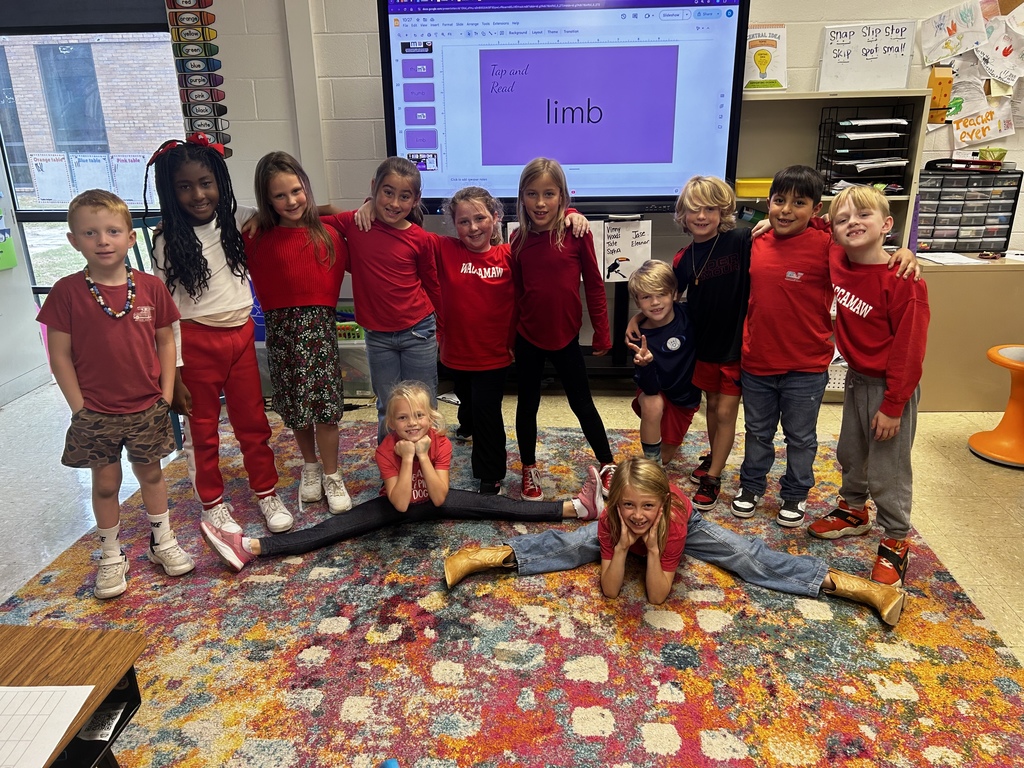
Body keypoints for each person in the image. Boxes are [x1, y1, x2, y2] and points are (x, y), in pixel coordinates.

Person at [444, 458, 907, 625]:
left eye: (646, 507)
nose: (638, 516)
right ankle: (486, 556)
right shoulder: (617, 520)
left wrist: (651, 536)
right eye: (628, 506)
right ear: (616, 504)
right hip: (626, 532)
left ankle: (857, 587)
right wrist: (622, 545)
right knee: (570, 548)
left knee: (745, 556)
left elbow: (657, 596)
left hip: (683, 528)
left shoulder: (673, 520)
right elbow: (609, 590)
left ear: (663, 504)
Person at [200, 381, 605, 571]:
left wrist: (425, 455)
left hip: (435, 498)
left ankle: (577, 507)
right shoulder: (386, 448)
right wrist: (407, 458)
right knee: (337, 526)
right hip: (399, 505)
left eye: (419, 416)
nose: (412, 423)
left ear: (431, 418)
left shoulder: (439, 442)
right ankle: (251, 547)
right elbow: (398, 503)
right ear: (391, 422)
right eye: (402, 417)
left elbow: (442, 498)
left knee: (496, 504)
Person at [354, 186, 590, 495]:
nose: (473, 227)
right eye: (464, 222)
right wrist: (371, 204)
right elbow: (403, 227)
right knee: (468, 401)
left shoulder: (510, 254)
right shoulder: (443, 248)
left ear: (495, 218)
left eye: (480, 218)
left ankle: (490, 476)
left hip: (494, 355)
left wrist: (572, 215)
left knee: (486, 412)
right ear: (454, 225)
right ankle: (465, 423)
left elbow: (540, 247)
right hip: (455, 354)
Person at [730, 166, 917, 528]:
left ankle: (795, 493)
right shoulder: (756, 240)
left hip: (806, 366)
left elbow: (861, 238)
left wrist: (905, 252)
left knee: (800, 437)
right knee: (757, 432)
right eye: (779, 201)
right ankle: (751, 486)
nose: (785, 210)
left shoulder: (828, 244)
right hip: (757, 361)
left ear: (816, 211)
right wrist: (770, 224)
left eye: (798, 203)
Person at [38, 190, 194, 598]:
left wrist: (163, 394)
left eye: (112, 231)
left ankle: (162, 541)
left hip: (146, 406)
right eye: (90, 233)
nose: (102, 240)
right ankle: (111, 554)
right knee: (106, 483)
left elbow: (165, 341)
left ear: (131, 238)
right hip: (96, 412)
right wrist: (79, 408)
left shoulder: (150, 288)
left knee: (152, 474)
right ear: (74, 240)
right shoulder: (66, 292)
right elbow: (59, 356)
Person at [146, 133, 295, 535]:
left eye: (206, 183)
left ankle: (266, 492)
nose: (198, 194)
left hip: (241, 337)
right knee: (203, 428)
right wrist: (172, 373)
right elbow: (166, 317)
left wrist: (359, 210)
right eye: (185, 186)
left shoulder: (239, 219)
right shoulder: (165, 242)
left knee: (253, 421)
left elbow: (292, 211)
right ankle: (212, 503)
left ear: (221, 184)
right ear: (169, 190)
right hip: (195, 342)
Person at [808, 185, 929, 587]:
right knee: (851, 451)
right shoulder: (837, 257)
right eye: (843, 219)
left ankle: (895, 541)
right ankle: (853, 510)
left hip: (892, 386)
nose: (852, 224)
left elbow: (910, 350)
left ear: (887, 225)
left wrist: (894, 405)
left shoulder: (903, 279)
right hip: (858, 379)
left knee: (888, 469)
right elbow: (817, 220)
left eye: (864, 216)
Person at [244, 151, 352, 514]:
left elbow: (347, 214)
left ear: (306, 187)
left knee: (326, 410)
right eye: (279, 195)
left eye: (296, 191)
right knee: (297, 408)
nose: (291, 201)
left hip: (320, 335)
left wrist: (324, 208)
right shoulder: (256, 237)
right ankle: (311, 466)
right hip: (282, 336)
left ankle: (333, 474)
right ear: (266, 199)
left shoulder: (330, 234)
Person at [511, 158, 615, 502]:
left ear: (562, 196)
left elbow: (595, 286)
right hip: (528, 337)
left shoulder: (576, 233)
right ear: (522, 197)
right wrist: (508, 339)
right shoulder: (517, 240)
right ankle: (528, 467)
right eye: (532, 194)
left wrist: (602, 331)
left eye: (549, 194)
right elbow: (514, 294)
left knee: (582, 403)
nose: (540, 203)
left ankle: (607, 463)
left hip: (567, 336)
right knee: (527, 405)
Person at [321, 158, 444, 444]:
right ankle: (392, 471)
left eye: (404, 196)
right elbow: (307, 217)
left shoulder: (420, 239)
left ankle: (426, 470)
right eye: (387, 192)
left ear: (415, 200)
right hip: (378, 337)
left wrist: (442, 331)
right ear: (374, 188)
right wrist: (362, 205)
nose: (394, 203)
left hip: (418, 330)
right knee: (388, 406)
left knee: (423, 406)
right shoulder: (356, 222)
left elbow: (433, 287)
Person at [623, 261, 701, 470]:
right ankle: (651, 464)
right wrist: (646, 364)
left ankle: (662, 447)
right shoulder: (639, 337)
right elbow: (650, 388)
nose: (655, 302)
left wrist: (636, 317)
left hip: (685, 398)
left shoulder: (688, 315)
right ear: (638, 301)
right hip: (656, 390)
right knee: (651, 402)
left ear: (674, 294)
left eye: (661, 294)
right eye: (646, 297)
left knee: (666, 456)